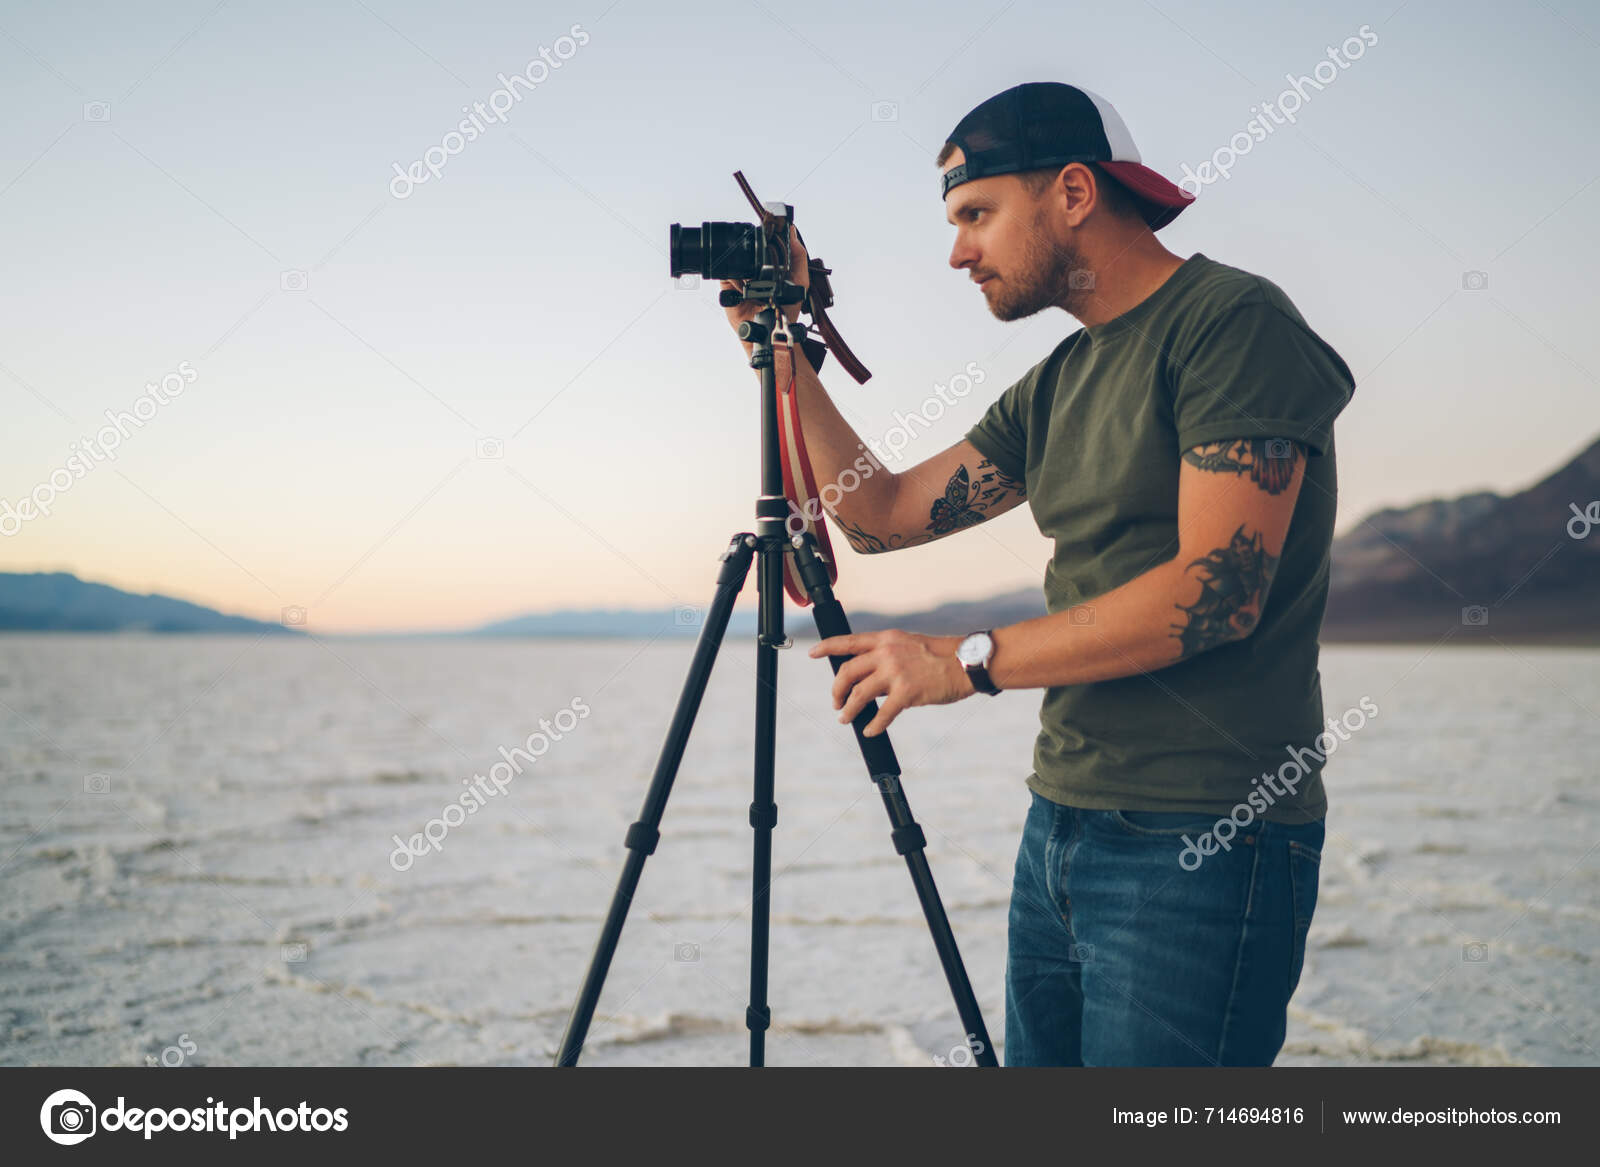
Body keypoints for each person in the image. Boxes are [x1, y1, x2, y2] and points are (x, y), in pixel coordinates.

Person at [723, 82, 1354, 1066]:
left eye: (976, 214)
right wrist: (774, 345)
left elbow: (1216, 595)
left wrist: (962, 662)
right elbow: (878, 514)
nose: (957, 252)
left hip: (1207, 836)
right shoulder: (1060, 380)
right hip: (1060, 820)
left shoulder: (1232, 324)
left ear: (1073, 192)